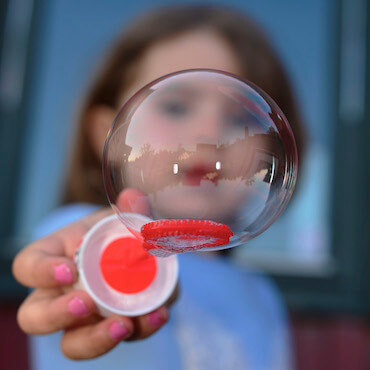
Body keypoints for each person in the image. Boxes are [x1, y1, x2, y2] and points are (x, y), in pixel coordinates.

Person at [12, 5, 305, 369]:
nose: (209, 134)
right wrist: (96, 266)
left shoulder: (261, 294)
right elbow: (79, 254)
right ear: (108, 135)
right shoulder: (89, 235)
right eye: (176, 108)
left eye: (242, 118)